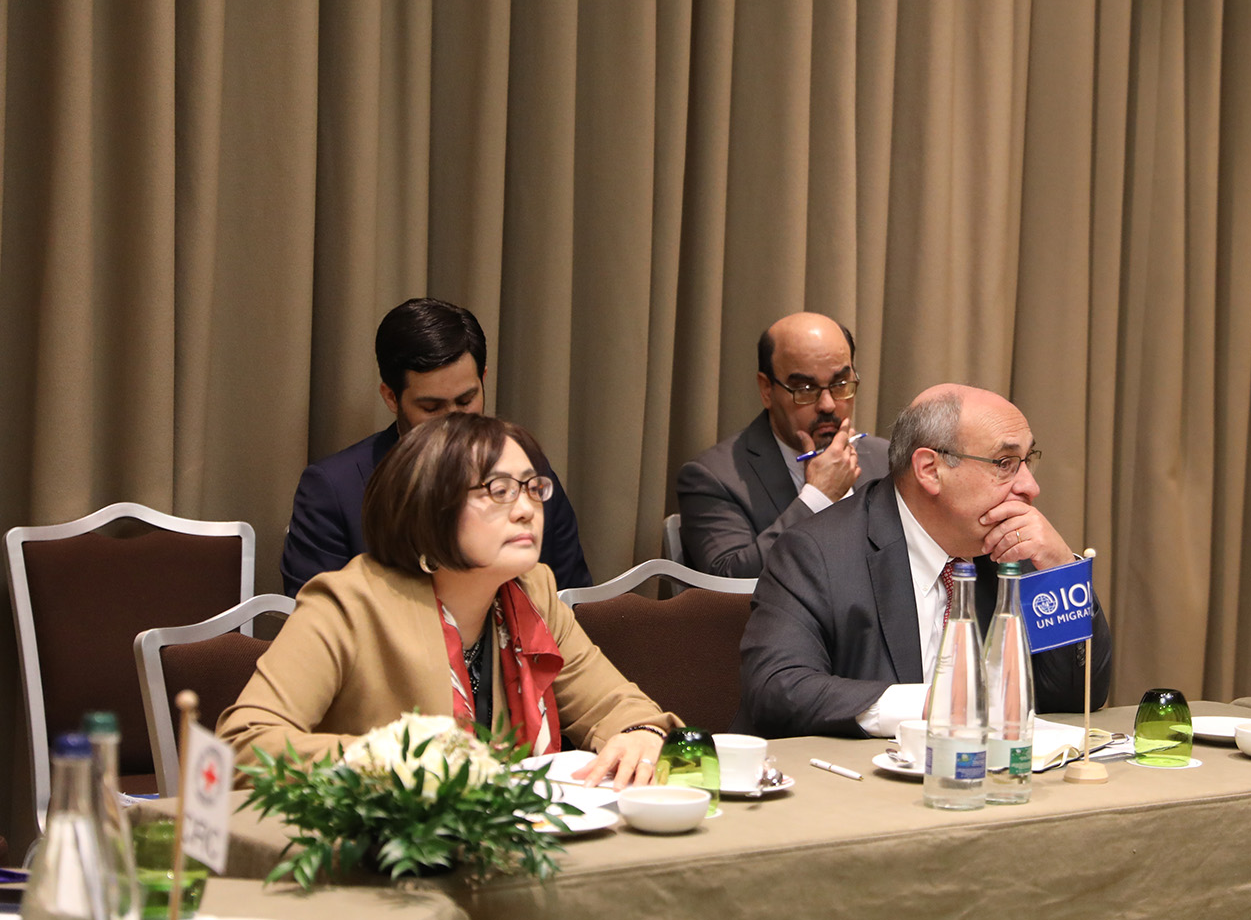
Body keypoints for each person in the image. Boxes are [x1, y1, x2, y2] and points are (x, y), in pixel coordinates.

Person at [223, 413, 673, 787]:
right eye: (500, 491)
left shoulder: (532, 591)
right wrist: (392, 757)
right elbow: (244, 745)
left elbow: (616, 705)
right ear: (429, 507)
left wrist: (640, 733)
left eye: (533, 488)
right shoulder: (348, 604)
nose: (526, 509)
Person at [738, 384, 1111, 739]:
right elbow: (778, 688)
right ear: (930, 470)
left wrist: (1062, 573)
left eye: (1027, 461)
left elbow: (1078, 697)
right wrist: (941, 703)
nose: (1030, 487)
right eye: (1004, 463)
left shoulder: (1013, 549)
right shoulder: (816, 553)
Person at [280, 298, 593, 594]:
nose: (453, 421)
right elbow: (318, 620)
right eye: (431, 408)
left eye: (466, 400)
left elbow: (571, 599)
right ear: (391, 397)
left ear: (483, 379)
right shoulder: (334, 489)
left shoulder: (527, 472)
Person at [675, 311, 890, 577]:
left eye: (840, 384)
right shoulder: (712, 478)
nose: (828, 405)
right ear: (767, 389)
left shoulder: (886, 460)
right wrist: (818, 497)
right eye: (806, 390)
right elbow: (729, 582)